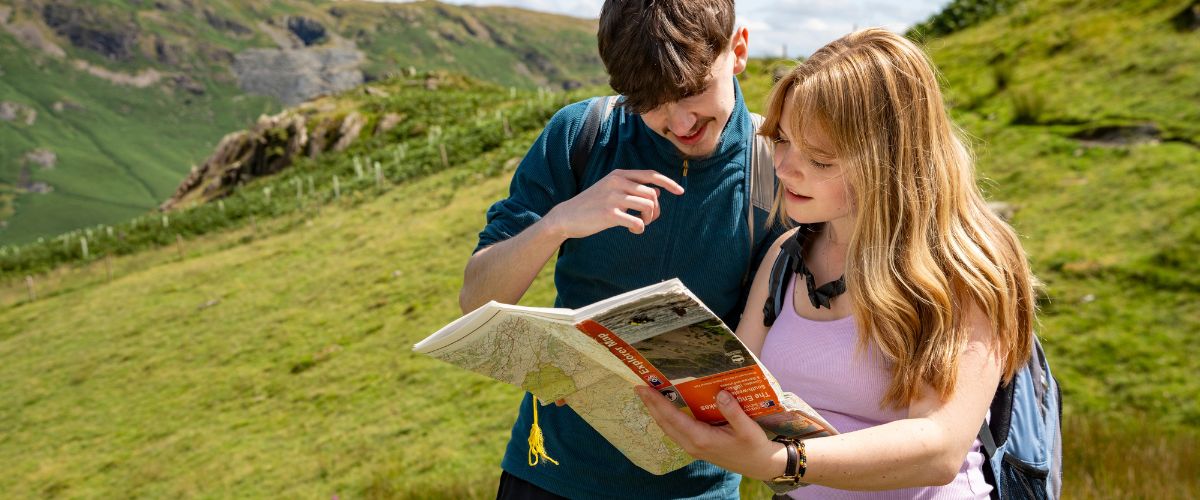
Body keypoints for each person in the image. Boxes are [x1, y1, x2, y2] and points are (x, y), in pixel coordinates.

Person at [636, 28, 1038, 499]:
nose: (785, 168)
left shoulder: (963, 263)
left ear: (892, 161)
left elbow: (940, 448)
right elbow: (731, 391)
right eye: (782, 140)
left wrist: (786, 461)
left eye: (821, 160)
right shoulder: (787, 255)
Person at [459, 0, 784, 498]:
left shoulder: (780, 170)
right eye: (648, 102)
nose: (678, 124)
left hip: (695, 487)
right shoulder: (581, 134)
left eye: (692, 92)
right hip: (548, 473)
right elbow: (475, 299)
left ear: (737, 50)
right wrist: (558, 223)